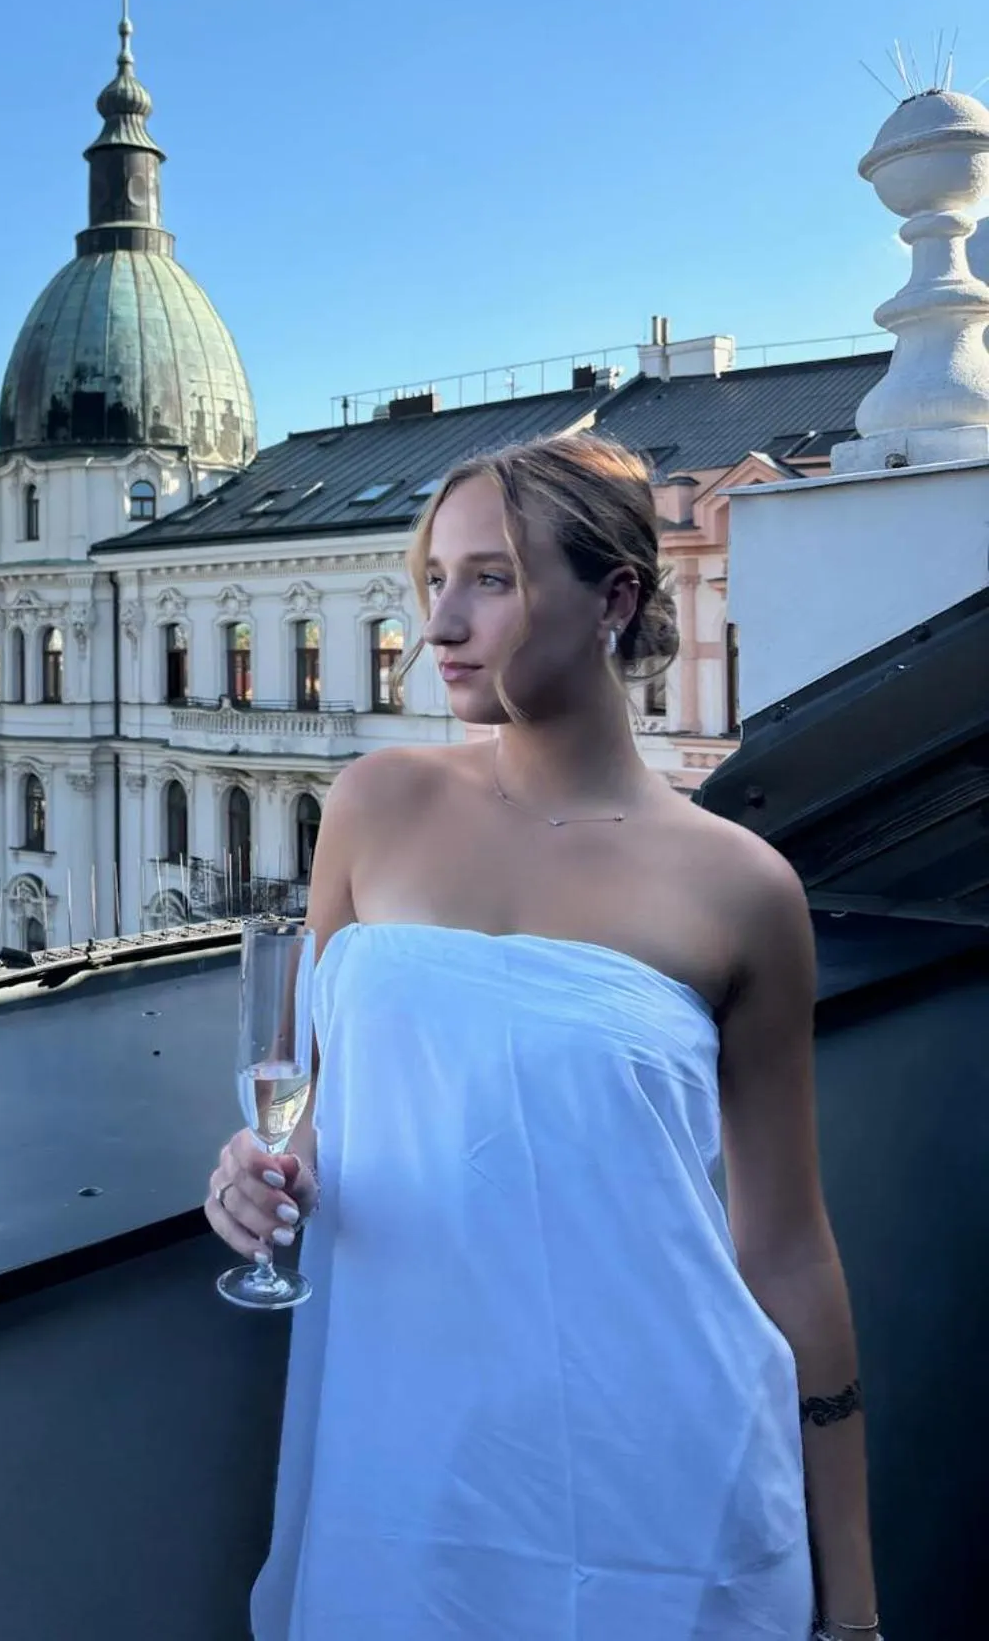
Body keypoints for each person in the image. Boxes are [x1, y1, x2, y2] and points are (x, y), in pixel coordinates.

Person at [206, 435, 881, 1641]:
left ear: (614, 597)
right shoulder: (374, 805)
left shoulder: (741, 886)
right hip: (407, 1470)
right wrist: (255, 1175)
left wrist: (856, 1608)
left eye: (493, 579)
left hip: (668, 1485)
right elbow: (313, 1097)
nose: (440, 623)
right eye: (434, 579)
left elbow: (786, 1249)